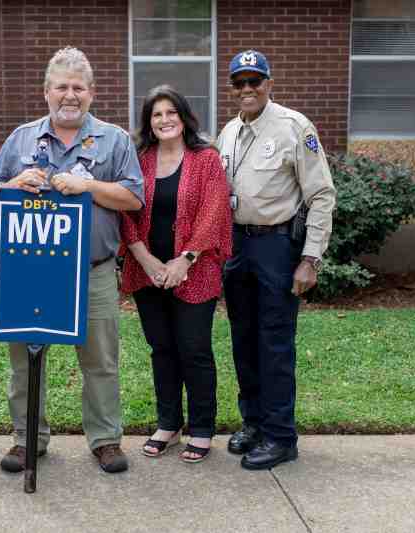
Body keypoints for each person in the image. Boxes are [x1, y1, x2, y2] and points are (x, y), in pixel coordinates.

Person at [0, 47, 144, 474]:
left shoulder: (114, 139)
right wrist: (11, 182)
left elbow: (133, 197)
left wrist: (87, 187)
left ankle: (105, 440)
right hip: (31, 269)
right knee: (25, 360)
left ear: (92, 93)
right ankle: (26, 439)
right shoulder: (22, 138)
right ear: (47, 92)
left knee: (101, 361)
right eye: (62, 87)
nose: (70, 95)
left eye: (78, 88)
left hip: (93, 272)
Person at [217, 50, 336, 470]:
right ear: (231, 88)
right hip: (237, 246)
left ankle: (281, 436)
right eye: (239, 82)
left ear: (270, 84)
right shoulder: (228, 131)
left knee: (275, 342)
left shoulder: (294, 126)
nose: (247, 89)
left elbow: (321, 194)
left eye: (255, 81)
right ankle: (254, 424)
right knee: (244, 340)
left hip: (276, 246)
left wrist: (310, 259)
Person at [119, 85, 231, 463]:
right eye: (156, 114)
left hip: (194, 270)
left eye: (171, 112)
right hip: (146, 270)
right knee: (162, 349)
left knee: (194, 349)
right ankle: (168, 423)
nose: (164, 120)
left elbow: (214, 212)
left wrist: (184, 260)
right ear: (148, 123)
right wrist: (147, 260)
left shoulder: (206, 159)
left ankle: (201, 428)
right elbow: (126, 212)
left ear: (184, 118)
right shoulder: (139, 160)